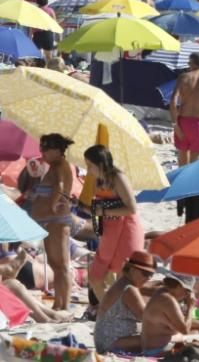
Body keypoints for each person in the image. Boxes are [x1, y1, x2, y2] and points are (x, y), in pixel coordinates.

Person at [85, 145, 144, 302]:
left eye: (90, 165)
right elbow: (97, 204)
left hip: (127, 228)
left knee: (124, 275)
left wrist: (103, 211)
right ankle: (108, 309)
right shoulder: (97, 181)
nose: (88, 169)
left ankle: (117, 312)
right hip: (109, 230)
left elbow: (131, 208)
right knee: (95, 277)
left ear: (101, 164)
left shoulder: (119, 178)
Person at [141, 273, 199, 360]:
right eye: (187, 291)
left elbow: (178, 320)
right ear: (179, 286)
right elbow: (184, 329)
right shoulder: (168, 301)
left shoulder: (162, 293)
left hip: (156, 348)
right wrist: (191, 306)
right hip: (160, 351)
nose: (187, 295)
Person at [30, 133, 76, 311]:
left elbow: (61, 187)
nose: (42, 152)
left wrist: (53, 204)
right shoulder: (54, 166)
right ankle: (59, 303)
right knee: (56, 265)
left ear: (57, 150)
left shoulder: (61, 165)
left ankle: (63, 305)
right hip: (50, 221)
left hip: (56, 220)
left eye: (46, 148)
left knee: (62, 265)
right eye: (41, 148)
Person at [94, 251, 157, 354]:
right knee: (160, 339)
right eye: (145, 274)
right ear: (132, 270)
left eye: (151, 274)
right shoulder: (129, 289)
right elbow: (149, 320)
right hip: (111, 344)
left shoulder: (123, 283)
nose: (149, 278)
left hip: (104, 341)